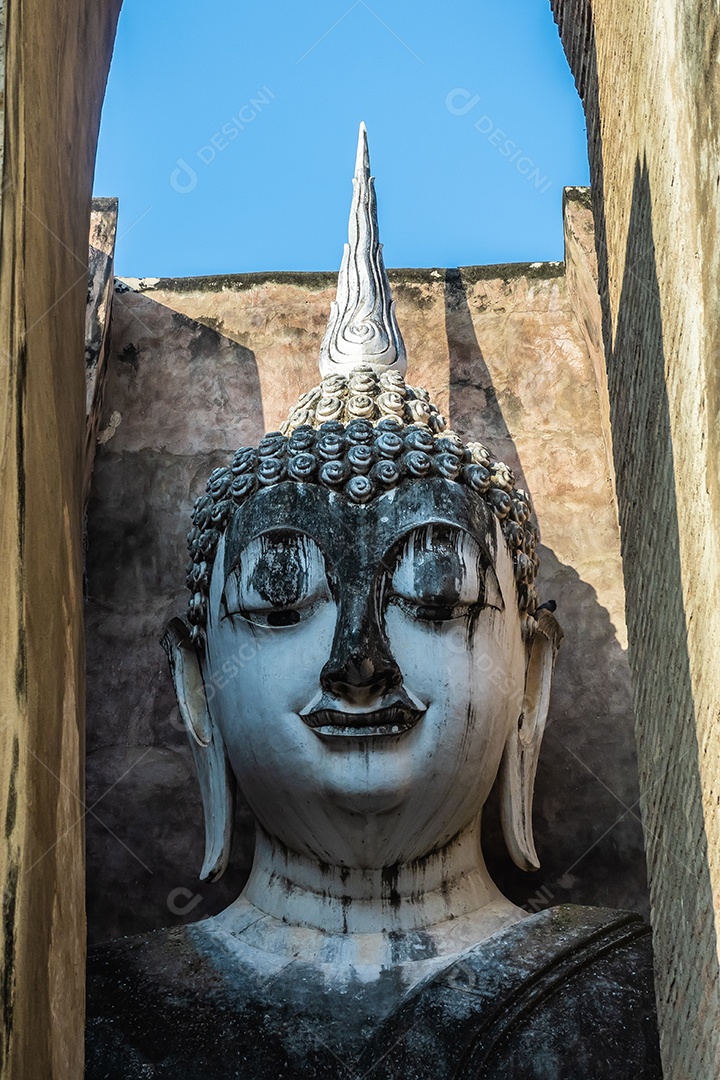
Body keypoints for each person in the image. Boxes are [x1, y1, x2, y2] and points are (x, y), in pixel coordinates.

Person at [86, 126, 661, 1079]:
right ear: (196, 681)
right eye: (282, 600)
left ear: (533, 674)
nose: (360, 662)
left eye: (431, 599)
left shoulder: (638, 991)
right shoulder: (93, 1016)